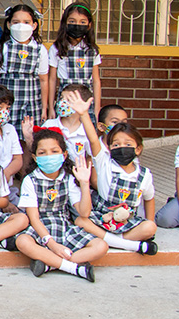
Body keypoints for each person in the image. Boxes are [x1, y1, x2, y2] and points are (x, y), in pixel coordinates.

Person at [67, 93, 158, 255]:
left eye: (128, 144)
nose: (122, 148)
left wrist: (150, 224)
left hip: (126, 222)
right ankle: (128, 244)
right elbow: (93, 140)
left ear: (138, 149)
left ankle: (112, 241)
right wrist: (83, 114)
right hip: (102, 219)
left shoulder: (145, 175)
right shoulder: (104, 163)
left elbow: (149, 198)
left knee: (150, 227)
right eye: (116, 144)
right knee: (81, 221)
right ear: (109, 148)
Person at [15, 128, 106, 282]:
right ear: (35, 157)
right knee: (22, 242)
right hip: (39, 229)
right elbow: (34, 218)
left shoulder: (68, 178)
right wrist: (52, 244)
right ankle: (73, 267)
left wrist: (84, 183)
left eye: (54, 151)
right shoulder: (30, 180)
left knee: (101, 246)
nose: (49, 156)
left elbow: (84, 213)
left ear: (64, 155)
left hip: (63, 226)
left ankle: (50, 264)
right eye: (42, 152)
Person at [0, 4, 48, 125]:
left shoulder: (40, 49)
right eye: (16, 22)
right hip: (7, 103)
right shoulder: (2, 47)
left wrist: (44, 108)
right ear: (9, 24)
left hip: (32, 102)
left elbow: (43, 80)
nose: (21, 26)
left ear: (34, 25)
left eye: (26, 22)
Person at [48, 3, 102, 121]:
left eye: (82, 22)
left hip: (86, 98)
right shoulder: (57, 48)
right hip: (65, 98)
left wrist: (97, 108)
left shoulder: (92, 50)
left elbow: (96, 81)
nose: (77, 25)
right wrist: (51, 107)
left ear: (89, 25)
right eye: (72, 21)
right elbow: (52, 79)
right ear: (65, 23)